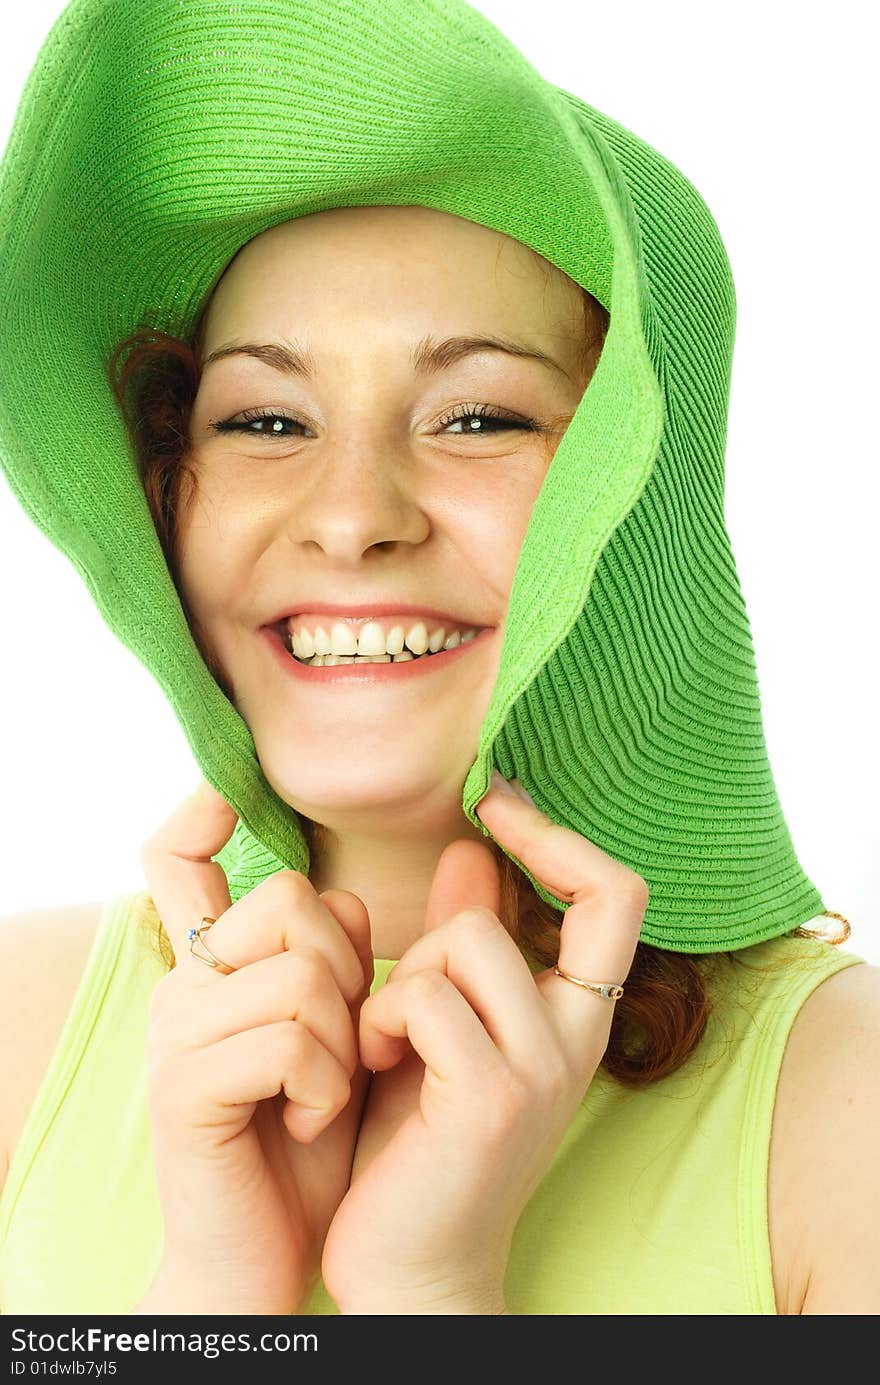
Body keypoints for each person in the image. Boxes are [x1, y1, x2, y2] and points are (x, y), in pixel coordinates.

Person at [0, 0, 877, 1318]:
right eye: (266, 415)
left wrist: (429, 1292)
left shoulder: (844, 1109)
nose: (352, 515)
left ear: (635, 496)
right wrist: (217, 1297)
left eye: (477, 414)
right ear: (168, 492)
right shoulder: (20, 1030)